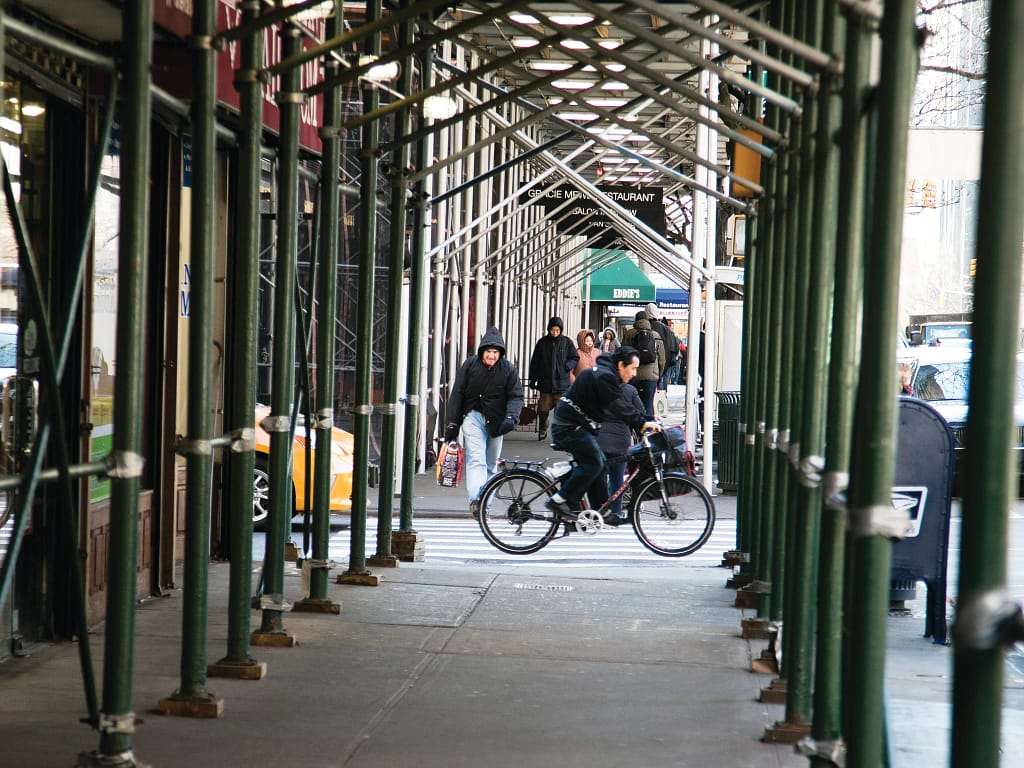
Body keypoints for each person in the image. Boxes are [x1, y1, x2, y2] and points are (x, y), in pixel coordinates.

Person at [545, 346, 661, 522]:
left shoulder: (608, 376)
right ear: (621, 365)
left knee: (600, 464)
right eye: (633, 368)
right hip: (568, 427)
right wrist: (642, 423)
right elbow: (617, 406)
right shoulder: (605, 377)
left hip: (578, 425)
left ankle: (602, 511)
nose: (635, 373)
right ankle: (559, 500)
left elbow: (622, 404)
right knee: (594, 463)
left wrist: (644, 420)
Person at [444, 326, 524, 514]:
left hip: (497, 422)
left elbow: (516, 396)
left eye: (495, 352)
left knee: (491, 463)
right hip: (473, 416)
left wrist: (511, 417)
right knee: (476, 460)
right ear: (482, 351)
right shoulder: (470, 365)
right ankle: (476, 500)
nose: (491, 356)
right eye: (488, 351)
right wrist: (452, 423)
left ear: (500, 353)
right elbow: (458, 393)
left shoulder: (508, 369)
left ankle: (484, 504)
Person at [596, 381, 645, 525]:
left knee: (600, 478)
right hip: (621, 441)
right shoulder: (630, 390)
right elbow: (641, 413)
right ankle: (615, 513)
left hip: (599, 439)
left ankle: (600, 511)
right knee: (617, 480)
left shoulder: (598, 388)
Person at [528, 316, 579, 441]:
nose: (555, 333)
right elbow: (535, 362)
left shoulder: (567, 342)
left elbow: (575, 358)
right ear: (549, 329)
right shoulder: (542, 343)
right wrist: (533, 379)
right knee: (543, 409)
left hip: (562, 383)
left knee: (560, 410)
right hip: (545, 382)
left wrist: (567, 367)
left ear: (561, 330)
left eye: (557, 330)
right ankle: (543, 426)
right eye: (553, 330)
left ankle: (559, 433)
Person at [621, 310, 664, 419]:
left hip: (633, 375)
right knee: (648, 405)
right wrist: (659, 374)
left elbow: (622, 353)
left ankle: (634, 432)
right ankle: (647, 433)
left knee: (633, 404)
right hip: (651, 377)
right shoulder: (655, 335)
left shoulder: (629, 334)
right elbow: (662, 359)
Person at [645, 303, 678, 391]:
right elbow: (671, 349)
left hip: (642, 372)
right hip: (661, 368)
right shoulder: (666, 329)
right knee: (659, 394)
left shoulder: (642, 328)